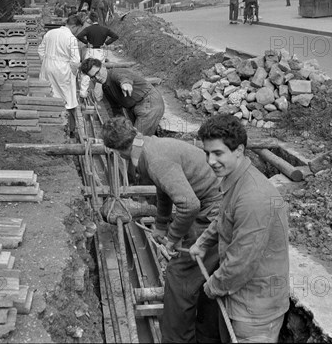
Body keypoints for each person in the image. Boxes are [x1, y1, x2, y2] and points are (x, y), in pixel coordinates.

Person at [101, 116, 221, 344]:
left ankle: (177, 339)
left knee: (179, 277)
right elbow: (164, 188)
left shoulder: (154, 160)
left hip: (214, 211)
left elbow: (189, 205)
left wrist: (172, 239)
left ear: (118, 151)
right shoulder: (150, 145)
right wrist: (162, 224)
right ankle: (205, 334)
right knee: (205, 275)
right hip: (211, 205)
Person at [190, 113, 290, 343]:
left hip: (256, 311)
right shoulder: (235, 179)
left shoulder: (253, 197)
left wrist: (211, 287)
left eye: (217, 153)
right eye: (207, 153)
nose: (210, 161)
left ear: (239, 150)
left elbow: (241, 262)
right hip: (239, 297)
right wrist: (203, 242)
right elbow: (223, 218)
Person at [80, 57, 164, 136]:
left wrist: (126, 84)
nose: (97, 78)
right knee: (130, 134)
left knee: (136, 140)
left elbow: (123, 77)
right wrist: (116, 126)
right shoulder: (105, 88)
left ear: (103, 67)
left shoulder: (114, 73)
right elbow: (115, 109)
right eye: (93, 77)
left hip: (149, 102)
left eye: (97, 73)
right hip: (135, 106)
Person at [37, 14, 81, 135]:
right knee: (68, 99)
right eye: (77, 29)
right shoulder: (71, 38)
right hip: (63, 69)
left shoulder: (50, 33)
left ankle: (48, 124)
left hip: (47, 66)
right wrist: (73, 73)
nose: (77, 32)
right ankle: (70, 129)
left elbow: (40, 50)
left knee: (49, 94)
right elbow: (76, 61)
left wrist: (46, 62)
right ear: (73, 26)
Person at [76, 12, 119, 101]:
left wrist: (87, 43)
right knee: (99, 73)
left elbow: (79, 36)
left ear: (90, 20)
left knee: (87, 71)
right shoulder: (105, 29)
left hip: (91, 51)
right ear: (98, 19)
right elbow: (115, 36)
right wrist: (106, 43)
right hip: (101, 51)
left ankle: (83, 93)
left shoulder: (88, 29)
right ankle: (98, 97)